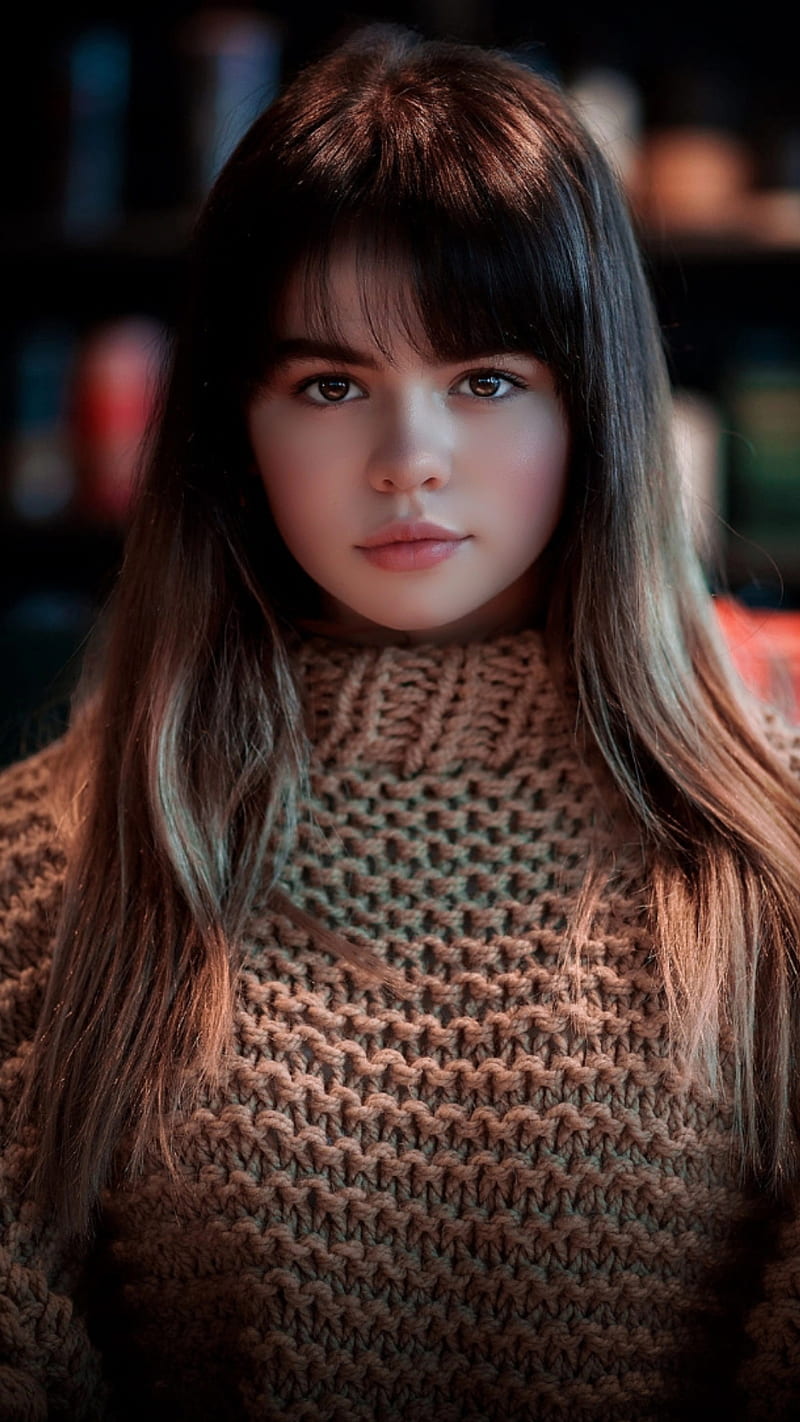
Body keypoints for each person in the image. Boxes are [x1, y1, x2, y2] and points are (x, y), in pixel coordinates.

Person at [1, 23, 799, 1421]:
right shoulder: (50, 858)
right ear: (233, 427)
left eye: (486, 379)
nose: (409, 459)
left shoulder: (773, 858)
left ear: (598, 411)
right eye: (329, 384)